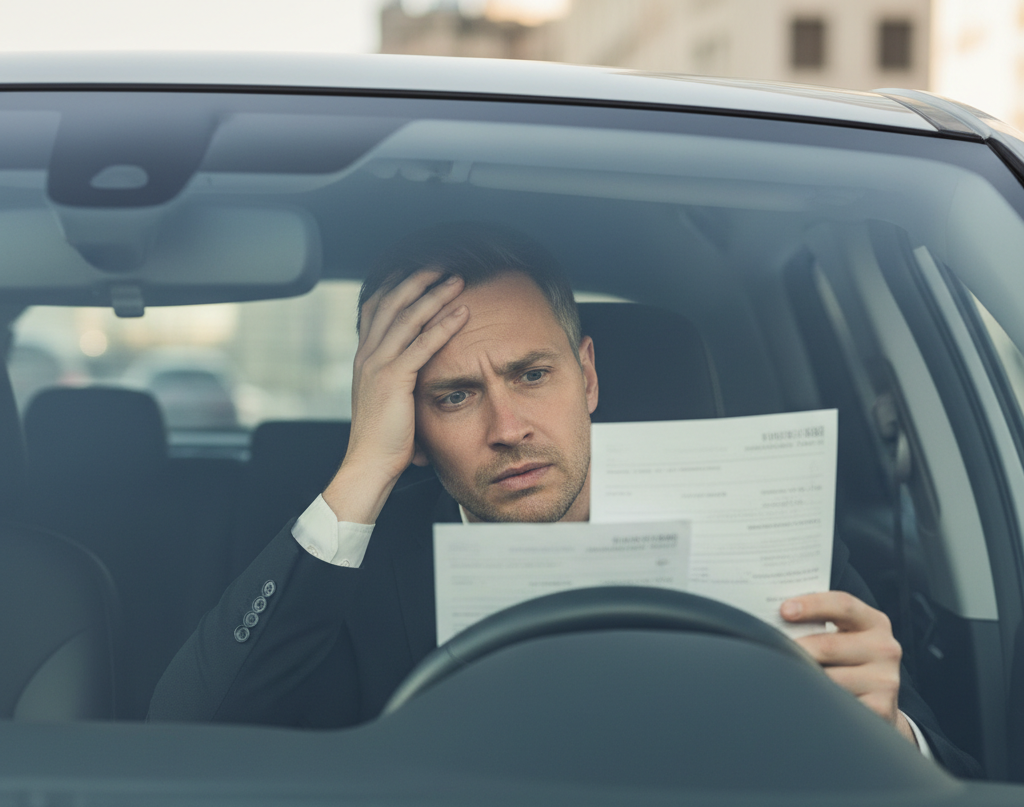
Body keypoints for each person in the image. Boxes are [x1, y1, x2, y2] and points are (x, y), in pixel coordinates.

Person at [149, 223, 981, 778]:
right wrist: (365, 461)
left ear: (587, 373)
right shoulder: (354, 567)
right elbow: (188, 742)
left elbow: (959, 784)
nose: (507, 427)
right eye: (452, 397)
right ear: (408, 414)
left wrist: (891, 731)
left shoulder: (759, 523)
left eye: (531, 375)